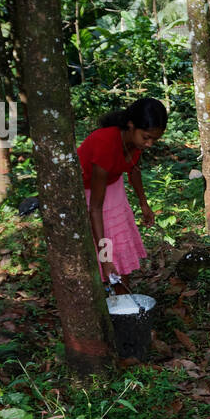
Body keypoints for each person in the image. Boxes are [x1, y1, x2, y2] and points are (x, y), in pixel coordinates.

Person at [78, 97, 166, 293]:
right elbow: (95, 208)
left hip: (113, 183)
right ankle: (108, 287)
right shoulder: (105, 143)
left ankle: (122, 295)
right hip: (88, 189)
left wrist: (144, 204)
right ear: (131, 125)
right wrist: (105, 260)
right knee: (105, 244)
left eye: (154, 139)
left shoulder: (135, 142)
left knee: (119, 238)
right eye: (146, 137)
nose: (150, 143)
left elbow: (134, 170)